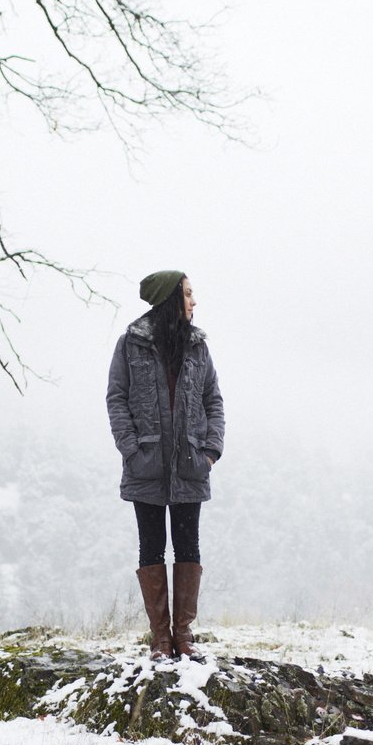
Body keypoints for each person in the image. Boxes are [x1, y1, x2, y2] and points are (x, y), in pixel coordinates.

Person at [106, 271, 225, 661]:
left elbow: (213, 400)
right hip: (147, 466)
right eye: (189, 294)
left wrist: (210, 452)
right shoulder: (130, 345)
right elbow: (117, 399)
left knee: (188, 545)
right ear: (170, 299)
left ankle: (183, 635)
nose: (194, 301)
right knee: (152, 546)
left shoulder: (198, 348)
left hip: (191, 463)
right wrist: (130, 449)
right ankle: (160, 638)